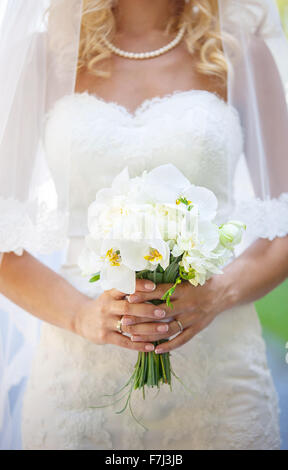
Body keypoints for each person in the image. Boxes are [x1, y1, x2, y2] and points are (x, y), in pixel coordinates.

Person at [0, 0, 287, 450]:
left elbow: (283, 229)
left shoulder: (240, 52)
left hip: (220, 368)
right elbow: (3, 243)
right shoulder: (47, 54)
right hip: (78, 372)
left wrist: (217, 294)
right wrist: (80, 315)